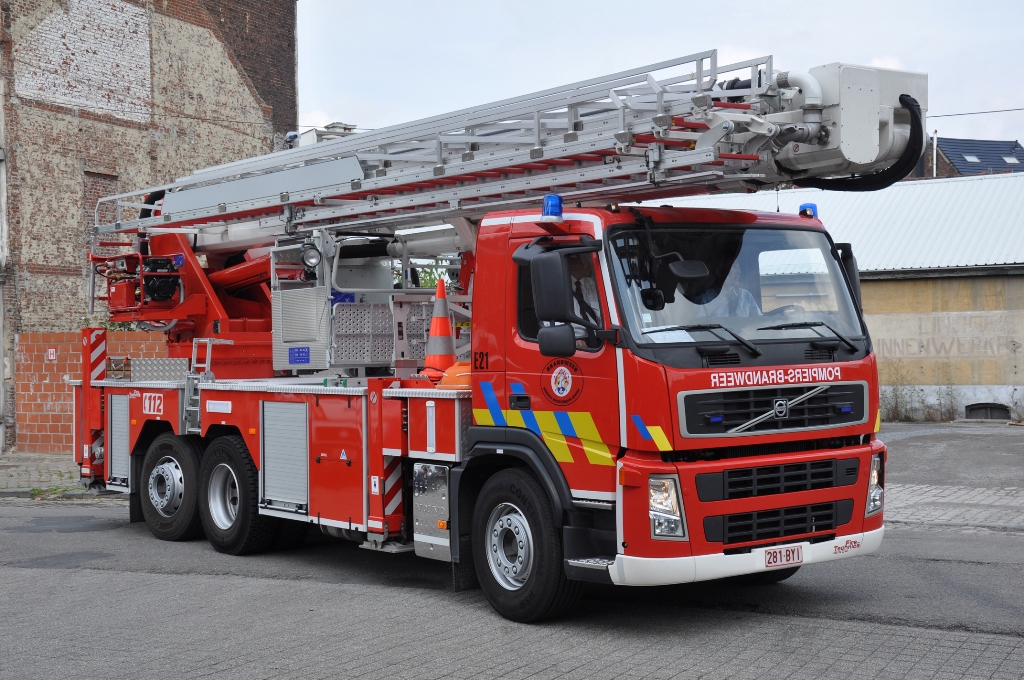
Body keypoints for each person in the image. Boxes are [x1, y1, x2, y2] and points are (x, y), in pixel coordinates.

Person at [697, 267, 762, 318]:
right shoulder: (706, 298)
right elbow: (699, 328)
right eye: (734, 267)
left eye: (739, 268)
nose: (739, 272)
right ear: (720, 272)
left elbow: (758, 320)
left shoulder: (746, 295)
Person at [568, 254, 602, 347]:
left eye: (587, 258)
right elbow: (550, 325)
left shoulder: (594, 285)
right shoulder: (555, 288)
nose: (588, 262)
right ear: (569, 262)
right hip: (575, 343)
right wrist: (569, 341)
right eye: (581, 258)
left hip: (602, 340)